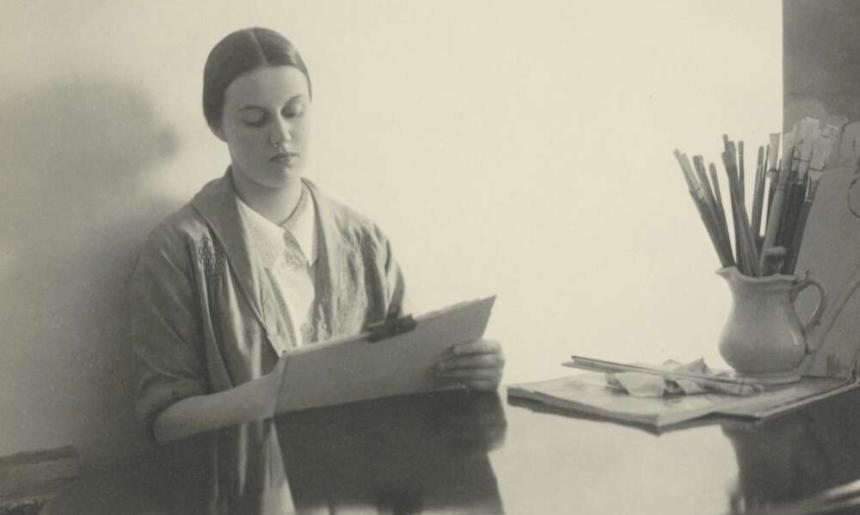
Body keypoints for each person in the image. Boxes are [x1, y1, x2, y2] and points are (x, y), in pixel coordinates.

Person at [130, 27, 505, 444]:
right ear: (217, 125)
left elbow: (406, 382)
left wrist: (464, 372)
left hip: (361, 490)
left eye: (294, 112)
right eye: (255, 119)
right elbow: (165, 421)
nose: (280, 135)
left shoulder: (364, 240)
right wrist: (276, 392)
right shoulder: (180, 250)